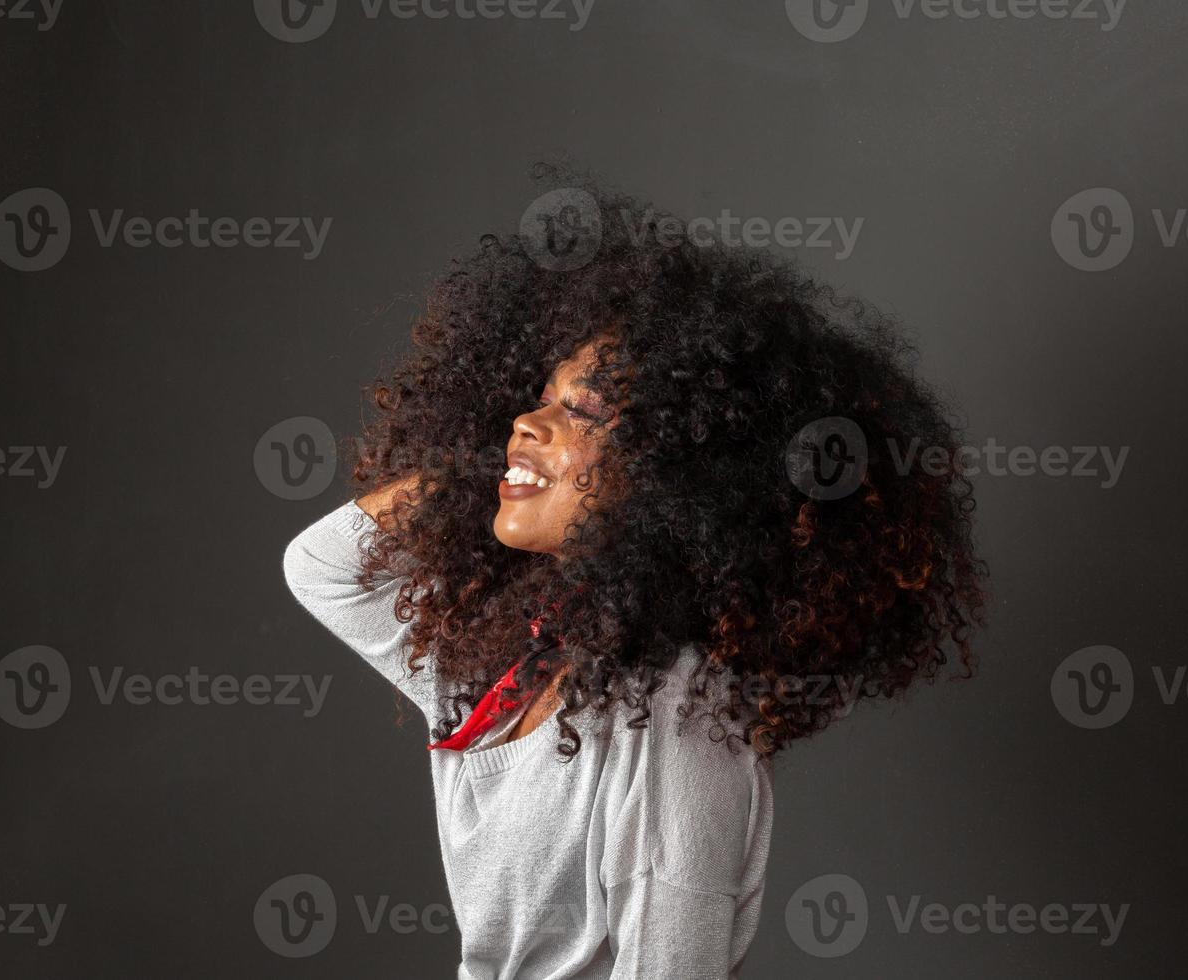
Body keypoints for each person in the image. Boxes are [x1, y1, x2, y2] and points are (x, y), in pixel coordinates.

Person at [283, 169, 986, 978]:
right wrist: (508, 452)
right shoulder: (506, 664)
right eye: (533, 398)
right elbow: (328, 568)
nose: (526, 420)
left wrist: (542, 461)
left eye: (581, 412)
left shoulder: (674, 739)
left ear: (678, 475)